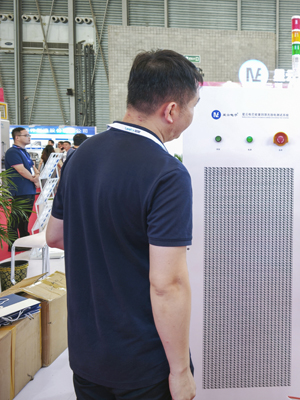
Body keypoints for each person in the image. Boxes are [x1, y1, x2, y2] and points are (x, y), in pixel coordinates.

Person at [46, 49, 203, 400]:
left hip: (87, 354)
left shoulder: (79, 157)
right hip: (142, 364)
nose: (192, 115)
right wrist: (180, 371)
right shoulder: (167, 174)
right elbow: (167, 285)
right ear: (171, 110)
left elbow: (54, 236)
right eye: (193, 106)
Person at [3, 127, 39, 248]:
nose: (29, 137)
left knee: (25, 217)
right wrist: (34, 179)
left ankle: (24, 239)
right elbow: (21, 170)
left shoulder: (24, 151)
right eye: (26, 135)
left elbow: (32, 166)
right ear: (17, 137)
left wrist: (37, 175)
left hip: (28, 189)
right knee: (16, 217)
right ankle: (12, 243)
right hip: (20, 190)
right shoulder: (12, 152)